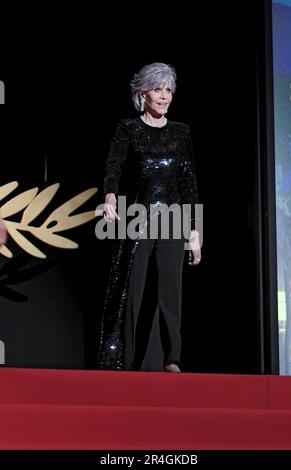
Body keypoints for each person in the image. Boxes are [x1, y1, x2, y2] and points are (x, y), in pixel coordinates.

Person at [96, 62, 201, 372]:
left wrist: (194, 231)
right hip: (139, 218)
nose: (164, 96)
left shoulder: (181, 132)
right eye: (158, 89)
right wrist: (110, 194)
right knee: (133, 292)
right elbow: (114, 164)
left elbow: (188, 180)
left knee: (171, 291)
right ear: (142, 93)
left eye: (168, 90)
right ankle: (126, 360)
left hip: (173, 219)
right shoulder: (129, 128)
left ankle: (173, 358)